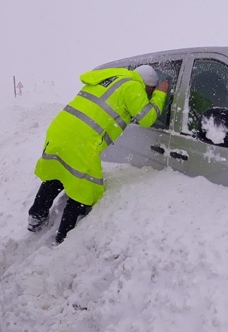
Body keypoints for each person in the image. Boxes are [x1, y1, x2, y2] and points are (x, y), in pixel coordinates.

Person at [27, 65, 169, 244]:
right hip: (83, 141)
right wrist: (161, 95)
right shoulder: (133, 86)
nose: (149, 94)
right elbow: (147, 118)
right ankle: (64, 239)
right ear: (148, 85)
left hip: (61, 131)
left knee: (58, 171)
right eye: (151, 90)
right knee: (86, 189)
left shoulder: (110, 78)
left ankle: (35, 217)